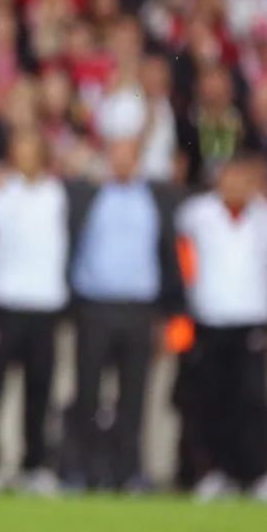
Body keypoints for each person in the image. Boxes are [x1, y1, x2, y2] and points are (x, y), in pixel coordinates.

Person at [61, 137, 184, 491]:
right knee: (87, 394)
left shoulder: (157, 200)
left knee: (134, 396)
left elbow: (168, 256)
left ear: (140, 161)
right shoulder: (88, 196)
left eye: (129, 157)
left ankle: (128, 471)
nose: (122, 163)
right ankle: (81, 469)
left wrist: (168, 313)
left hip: (139, 310)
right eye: (116, 156)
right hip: (94, 306)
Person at [0, 128, 69, 497]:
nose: (24, 156)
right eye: (19, 148)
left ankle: (35, 465)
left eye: (31, 148)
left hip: (43, 306)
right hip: (2, 305)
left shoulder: (57, 194)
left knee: (40, 391)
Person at [174, 152, 267, 501]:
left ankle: (258, 472)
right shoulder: (197, 214)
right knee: (210, 399)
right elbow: (176, 252)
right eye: (229, 178)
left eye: (242, 179)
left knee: (252, 400)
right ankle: (212, 472)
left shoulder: (266, 218)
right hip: (210, 318)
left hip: (251, 320)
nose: (235, 185)